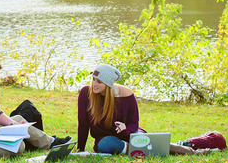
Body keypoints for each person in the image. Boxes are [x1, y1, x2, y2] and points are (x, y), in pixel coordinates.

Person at [77, 63, 212, 155]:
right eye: (94, 79)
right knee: (105, 145)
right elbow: (83, 124)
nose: (94, 84)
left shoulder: (127, 95)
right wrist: (80, 149)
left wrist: (125, 129)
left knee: (141, 139)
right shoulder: (86, 93)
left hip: (130, 135)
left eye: (99, 82)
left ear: (108, 84)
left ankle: (193, 152)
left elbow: (134, 123)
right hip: (106, 139)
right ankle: (143, 148)